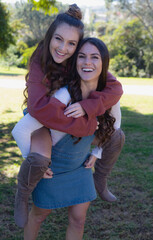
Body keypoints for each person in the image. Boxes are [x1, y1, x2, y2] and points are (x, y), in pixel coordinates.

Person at [12, 3, 124, 229]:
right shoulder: (39, 62)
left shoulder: (81, 58)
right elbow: (38, 112)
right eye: (58, 39)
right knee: (39, 159)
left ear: (78, 45)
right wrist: (82, 125)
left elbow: (115, 89)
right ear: (49, 36)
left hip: (72, 112)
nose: (63, 48)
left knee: (117, 136)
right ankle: (22, 195)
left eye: (72, 43)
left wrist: (88, 107)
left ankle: (100, 179)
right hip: (43, 117)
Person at [23, 37, 119, 240]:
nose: (87, 62)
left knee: (79, 219)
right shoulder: (64, 95)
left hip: (80, 166)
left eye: (95, 57)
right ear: (74, 62)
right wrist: (34, 162)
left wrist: (97, 151)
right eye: (82, 56)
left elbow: (115, 125)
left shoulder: (108, 97)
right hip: (53, 166)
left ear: (104, 63)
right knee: (39, 216)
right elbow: (23, 128)